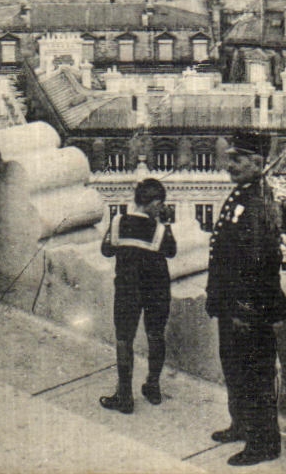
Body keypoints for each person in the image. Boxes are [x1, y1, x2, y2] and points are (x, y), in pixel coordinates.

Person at [206, 131, 286, 466]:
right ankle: (241, 425)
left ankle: (263, 443)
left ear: (256, 163)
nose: (230, 165)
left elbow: (258, 262)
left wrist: (244, 308)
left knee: (254, 375)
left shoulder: (256, 201)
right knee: (235, 368)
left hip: (248, 307)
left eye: (237, 160)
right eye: (229, 159)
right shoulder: (245, 194)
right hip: (233, 303)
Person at [99, 177, 178, 414]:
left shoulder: (118, 221)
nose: (161, 208)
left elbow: (106, 250)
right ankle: (152, 386)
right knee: (155, 336)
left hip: (127, 290)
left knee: (124, 340)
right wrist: (167, 223)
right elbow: (171, 251)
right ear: (154, 203)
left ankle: (124, 396)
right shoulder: (160, 229)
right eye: (160, 204)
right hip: (157, 291)